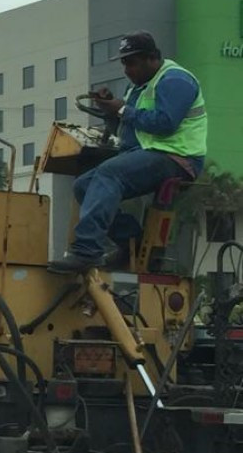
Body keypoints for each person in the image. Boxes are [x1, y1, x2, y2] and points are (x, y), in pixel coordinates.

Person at [48, 31, 206, 273]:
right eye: (124, 63)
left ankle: (86, 251)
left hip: (178, 157)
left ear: (152, 58)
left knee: (110, 173)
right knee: (83, 186)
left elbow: (165, 123)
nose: (126, 69)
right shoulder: (138, 88)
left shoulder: (176, 80)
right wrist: (112, 109)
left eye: (131, 63)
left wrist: (122, 110)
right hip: (152, 153)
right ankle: (133, 243)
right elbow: (129, 130)